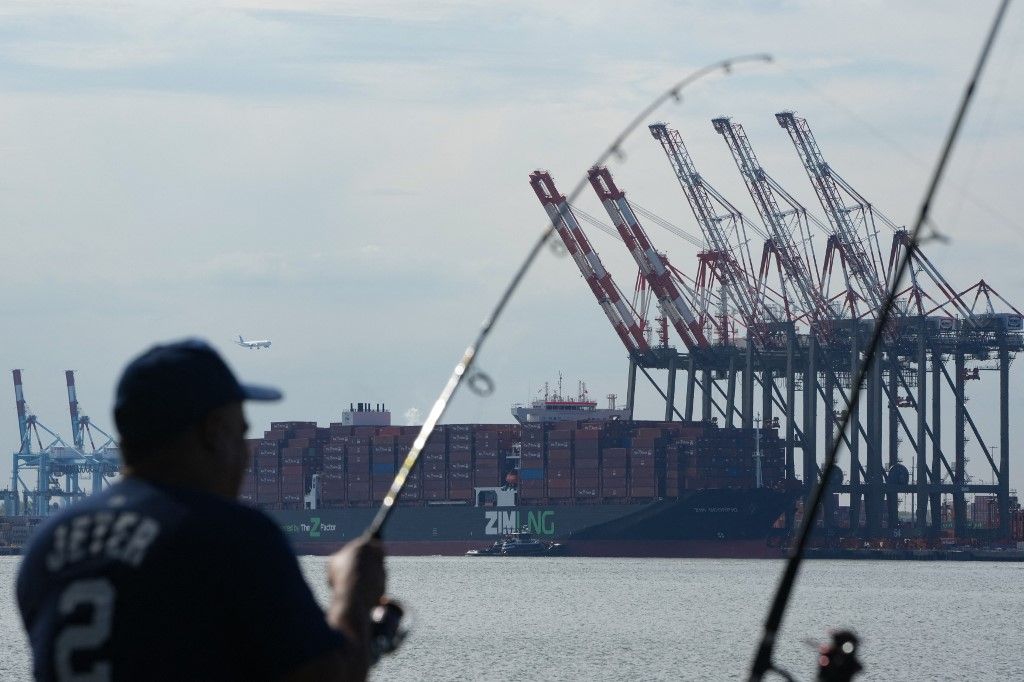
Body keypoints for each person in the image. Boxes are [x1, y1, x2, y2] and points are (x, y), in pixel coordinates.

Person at [16, 339, 387, 681]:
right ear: (214, 432)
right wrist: (352, 594)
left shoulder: (47, 547)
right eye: (241, 433)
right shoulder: (233, 537)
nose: (247, 454)